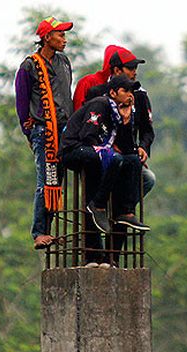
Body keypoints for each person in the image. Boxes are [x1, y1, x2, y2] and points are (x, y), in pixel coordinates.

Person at [61, 75, 148, 266]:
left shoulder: (123, 111)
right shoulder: (100, 104)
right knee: (112, 160)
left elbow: (126, 146)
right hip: (76, 149)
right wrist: (105, 154)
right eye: (125, 91)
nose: (130, 96)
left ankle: (125, 212)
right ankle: (98, 205)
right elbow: (87, 136)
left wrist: (125, 122)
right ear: (113, 93)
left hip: (97, 153)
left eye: (131, 92)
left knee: (132, 161)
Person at [14, 16, 74, 250]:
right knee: (46, 179)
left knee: (55, 181)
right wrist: (29, 131)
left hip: (65, 130)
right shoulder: (29, 65)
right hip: (43, 131)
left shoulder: (65, 62)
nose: (64, 40)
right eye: (60, 35)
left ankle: (48, 229)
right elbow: (22, 102)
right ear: (47, 37)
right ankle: (39, 231)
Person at [75, 45, 156, 197]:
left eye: (135, 68)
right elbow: (87, 129)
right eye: (130, 68)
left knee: (148, 179)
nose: (135, 72)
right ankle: (99, 211)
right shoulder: (97, 93)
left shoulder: (140, 96)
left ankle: (123, 213)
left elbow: (147, 130)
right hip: (102, 154)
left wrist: (143, 147)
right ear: (117, 71)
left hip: (128, 153)